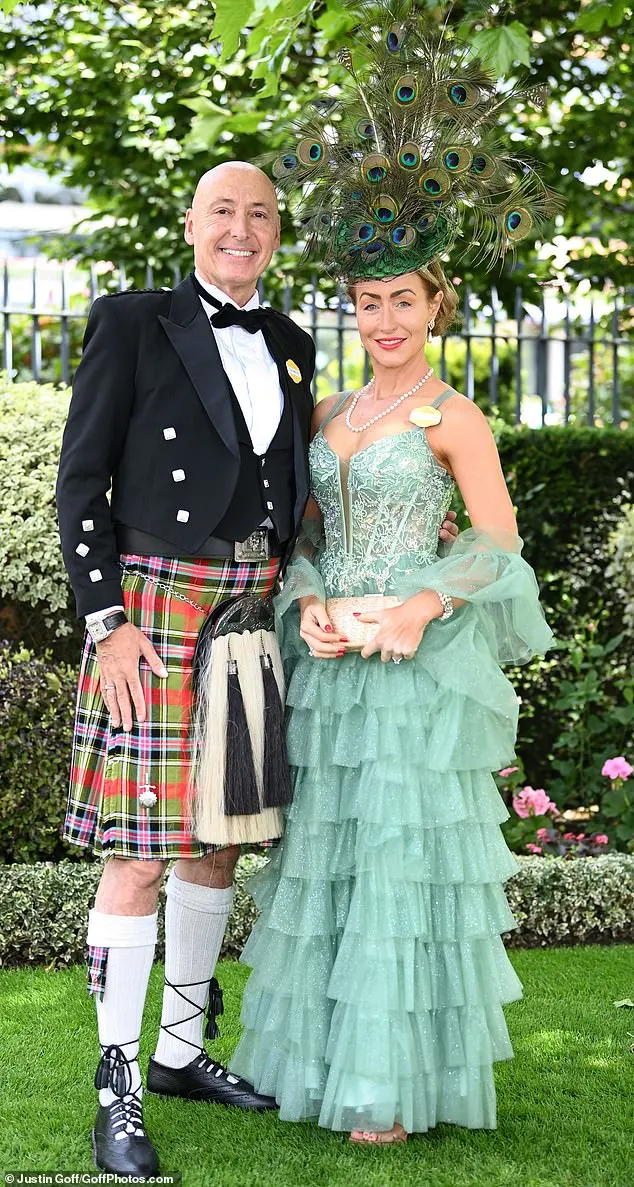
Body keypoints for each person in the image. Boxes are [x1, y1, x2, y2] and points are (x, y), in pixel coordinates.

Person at [56, 159, 460, 1174]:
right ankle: (121, 1090)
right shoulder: (134, 321)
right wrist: (106, 620)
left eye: (261, 216)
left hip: (252, 611)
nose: (242, 229)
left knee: (219, 840)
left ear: (275, 234)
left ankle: (186, 1051)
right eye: (223, 211)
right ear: (191, 222)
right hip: (151, 606)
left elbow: (300, 497)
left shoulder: (286, 343)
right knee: (141, 851)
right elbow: (80, 480)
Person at [229, 5, 556, 1146]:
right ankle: (318, 1064)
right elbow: (302, 529)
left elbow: (498, 538)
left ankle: (394, 1083)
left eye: (401, 303)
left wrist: (418, 604)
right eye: (366, 305)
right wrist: (312, 600)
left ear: (435, 305)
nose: (382, 321)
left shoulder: (454, 415)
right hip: (332, 656)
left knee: (401, 867)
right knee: (325, 860)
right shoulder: (323, 410)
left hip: (411, 661)